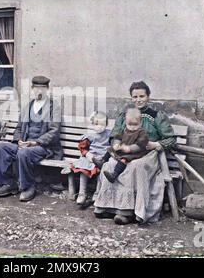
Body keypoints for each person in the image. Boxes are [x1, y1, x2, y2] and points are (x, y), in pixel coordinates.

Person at [93, 81, 176, 225]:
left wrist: (156, 144)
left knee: (135, 166)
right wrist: (116, 144)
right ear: (131, 98)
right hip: (125, 151)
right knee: (110, 164)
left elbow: (171, 139)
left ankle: (129, 212)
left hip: (148, 153)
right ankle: (108, 207)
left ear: (148, 97)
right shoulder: (125, 115)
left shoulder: (156, 116)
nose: (138, 100)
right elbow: (114, 134)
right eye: (135, 96)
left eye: (142, 96)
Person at [0, 76, 63, 202]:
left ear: (47, 90)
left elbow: (54, 131)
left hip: (44, 147)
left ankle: (28, 187)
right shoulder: (27, 107)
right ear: (32, 89)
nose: (39, 92)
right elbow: (19, 127)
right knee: (0, 147)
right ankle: (7, 184)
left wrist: (36, 142)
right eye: (37, 88)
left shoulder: (53, 107)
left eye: (43, 89)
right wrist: (18, 140)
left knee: (24, 153)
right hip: (26, 145)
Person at [61, 111, 111, 205]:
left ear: (106, 124)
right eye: (96, 124)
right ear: (92, 124)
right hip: (91, 158)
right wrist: (88, 155)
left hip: (103, 159)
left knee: (104, 169)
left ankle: (97, 194)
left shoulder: (109, 134)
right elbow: (83, 149)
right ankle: (82, 193)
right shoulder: (90, 135)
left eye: (102, 124)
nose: (99, 127)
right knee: (83, 169)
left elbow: (113, 146)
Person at [94, 108, 149, 183]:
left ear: (140, 122)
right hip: (123, 148)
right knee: (110, 149)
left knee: (124, 159)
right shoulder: (125, 129)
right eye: (130, 124)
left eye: (135, 124)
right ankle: (102, 161)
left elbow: (141, 144)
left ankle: (114, 175)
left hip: (134, 153)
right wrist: (116, 144)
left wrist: (130, 148)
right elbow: (118, 137)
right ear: (126, 122)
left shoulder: (141, 132)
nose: (132, 127)